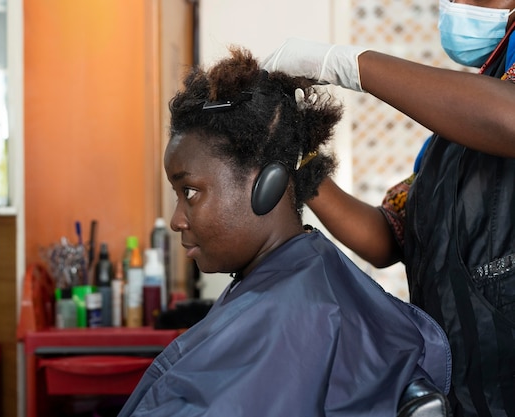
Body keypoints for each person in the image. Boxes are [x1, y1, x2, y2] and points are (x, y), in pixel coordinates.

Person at [117, 47, 451, 417]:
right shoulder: (296, 291)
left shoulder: (293, 317)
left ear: (269, 186)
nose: (178, 219)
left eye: (190, 192)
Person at [262, 1, 515, 416]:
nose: (457, 4)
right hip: (465, 391)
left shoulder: (492, 111)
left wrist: (346, 64)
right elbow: (388, 235)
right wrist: (300, 164)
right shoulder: (450, 141)